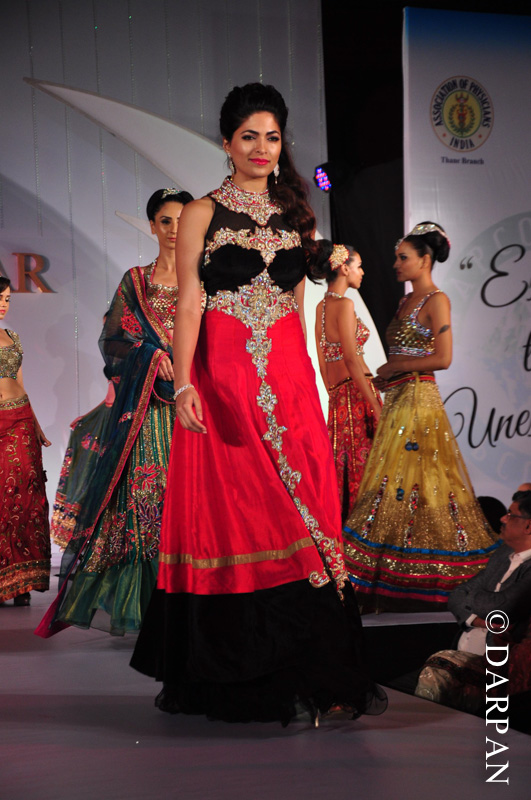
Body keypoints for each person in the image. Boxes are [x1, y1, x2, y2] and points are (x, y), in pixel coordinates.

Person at [131, 83, 387, 725]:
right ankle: (250, 678)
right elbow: (189, 305)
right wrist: (184, 383)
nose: (262, 148)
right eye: (249, 136)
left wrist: (316, 378)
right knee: (248, 514)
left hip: (290, 382)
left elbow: (301, 305)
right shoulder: (201, 212)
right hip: (225, 378)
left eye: (271, 137)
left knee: (308, 514)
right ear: (227, 143)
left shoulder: (297, 213)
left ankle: (312, 674)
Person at [36, 189, 193, 636]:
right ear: (152, 226)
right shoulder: (136, 281)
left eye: (182, 220)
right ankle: (147, 604)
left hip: (195, 403)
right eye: (165, 221)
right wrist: (150, 354)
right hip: (147, 409)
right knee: (147, 499)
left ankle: (193, 602)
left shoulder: (204, 279)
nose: (174, 229)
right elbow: (113, 340)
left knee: (192, 501)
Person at [343, 222, 499, 613]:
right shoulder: (404, 302)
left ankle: (429, 579)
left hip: (418, 401)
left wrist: (395, 367)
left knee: (425, 483)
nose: (396, 264)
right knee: (394, 486)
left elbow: (443, 358)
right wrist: (389, 376)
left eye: (403, 257)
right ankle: (393, 576)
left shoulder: (436, 299)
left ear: (425, 260)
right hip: (399, 398)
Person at [414, 489, 531, 715]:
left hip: (498, 663)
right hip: (465, 651)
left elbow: (502, 606)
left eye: (510, 514)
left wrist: (473, 597)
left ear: (528, 526)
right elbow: (457, 594)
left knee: (439, 667)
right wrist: (477, 620)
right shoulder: (503, 554)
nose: (502, 518)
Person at [313, 241, 382, 522]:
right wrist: (374, 405)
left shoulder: (321, 307)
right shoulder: (345, 304)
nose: (362, 272)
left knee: (344, 468)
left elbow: (322, 364)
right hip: (359, 393)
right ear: (344, 268)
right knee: (369, 470)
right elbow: (352, 359)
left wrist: (334, 396)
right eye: (359, 266)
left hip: (339, 399)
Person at [0, 276, 51, 606]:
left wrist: (36, 424)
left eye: (7, 298)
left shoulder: (12, 336)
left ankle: (23, 583)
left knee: (24, 496)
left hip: (20, 419)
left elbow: (20, 382)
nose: (3, 304)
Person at [50, 313, 115, 550]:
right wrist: (88, 417)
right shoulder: (113, 350)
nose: (106, 330)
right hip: (107, 415)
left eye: (110, 325)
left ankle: (105, 540)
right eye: (105, 326)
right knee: (88, 472)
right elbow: (110, 395)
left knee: (102, 477)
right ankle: (91, 541)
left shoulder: (132, 351)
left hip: (118, 419)